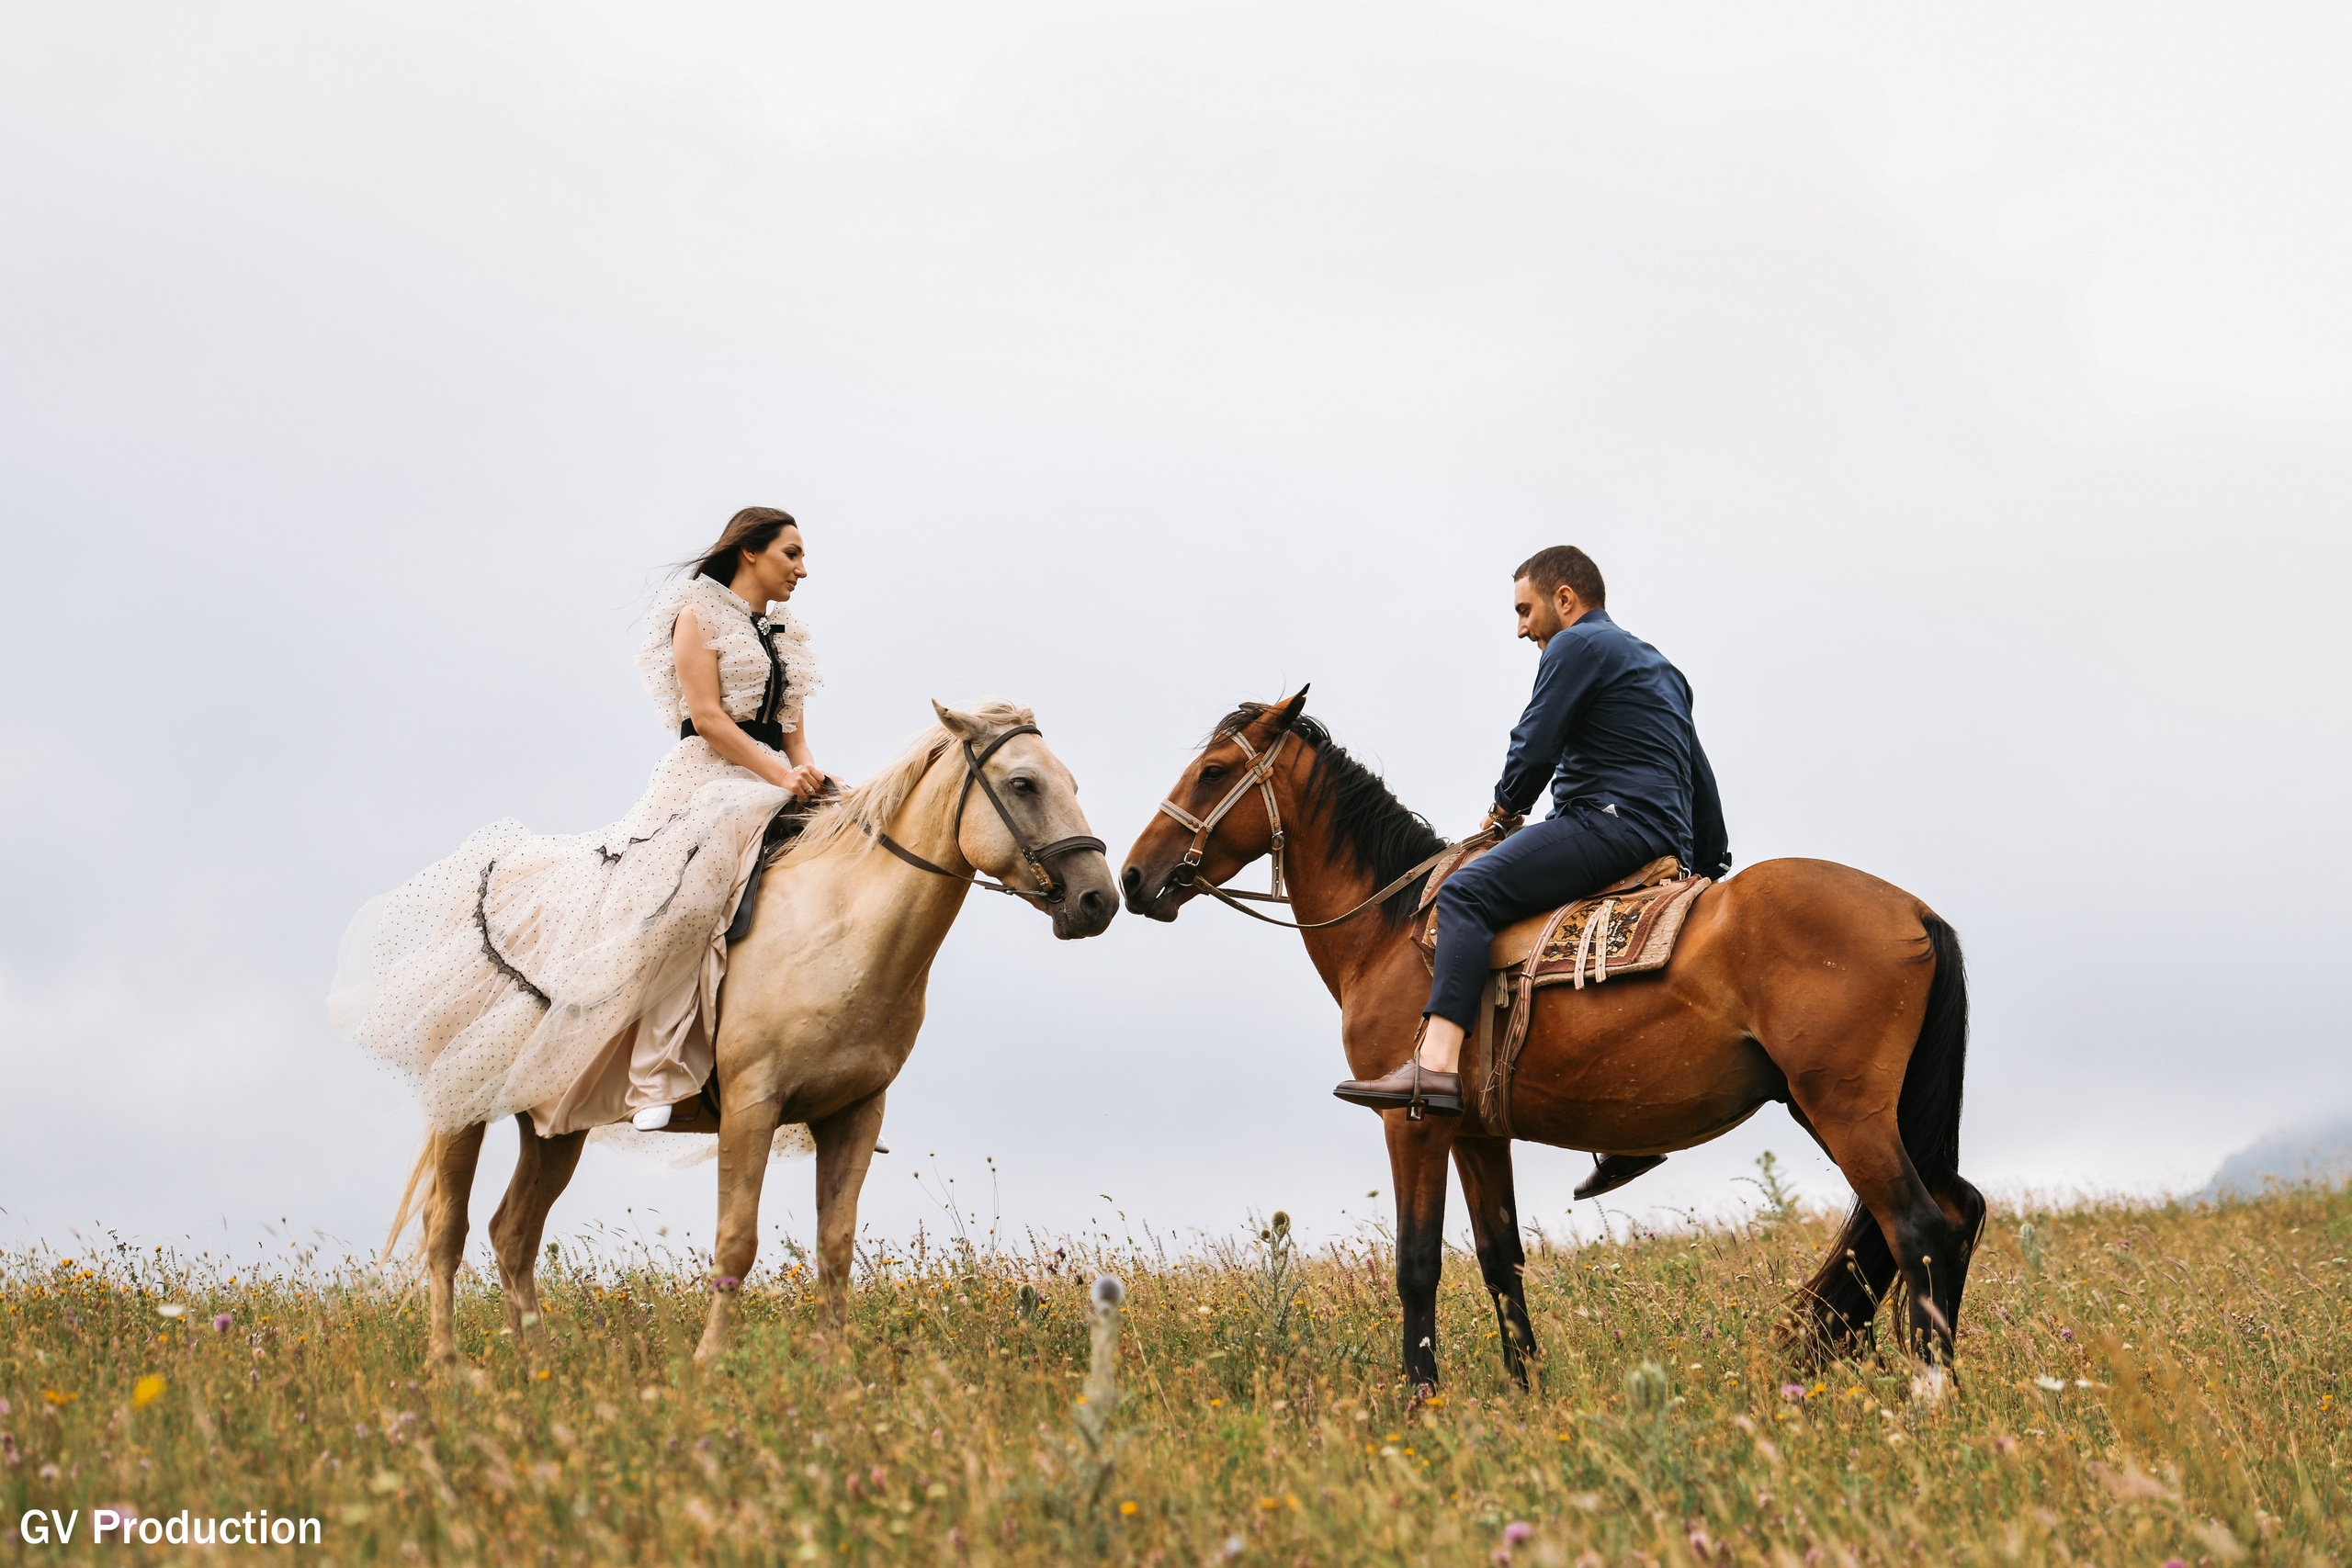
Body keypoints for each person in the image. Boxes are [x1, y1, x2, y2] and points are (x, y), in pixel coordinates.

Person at [330, 507, 828, 1140]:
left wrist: (811, 776)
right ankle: (656, 1074)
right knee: (690, 898)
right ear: (751, 552)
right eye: (792, 553)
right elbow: (707, 717)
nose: (802, 570)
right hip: (708, 782)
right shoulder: (697, 614)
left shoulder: (786, 633)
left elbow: (797, 737)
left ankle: (818, 1061)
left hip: (773, 781)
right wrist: (780, 775)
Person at [1333, 547, 1730, 1188]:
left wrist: (1504, 807)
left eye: (1525, 609)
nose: (1521, 627)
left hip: (1605, 823)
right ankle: (1631, 1133)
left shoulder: (1574, 648)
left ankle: (1433, 1064)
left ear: (1565, 599)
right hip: (1665, 840)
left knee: (1464, 894)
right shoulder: (1663, 668)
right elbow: (1699, 777)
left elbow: (1536, 739)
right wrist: (1706, 863)